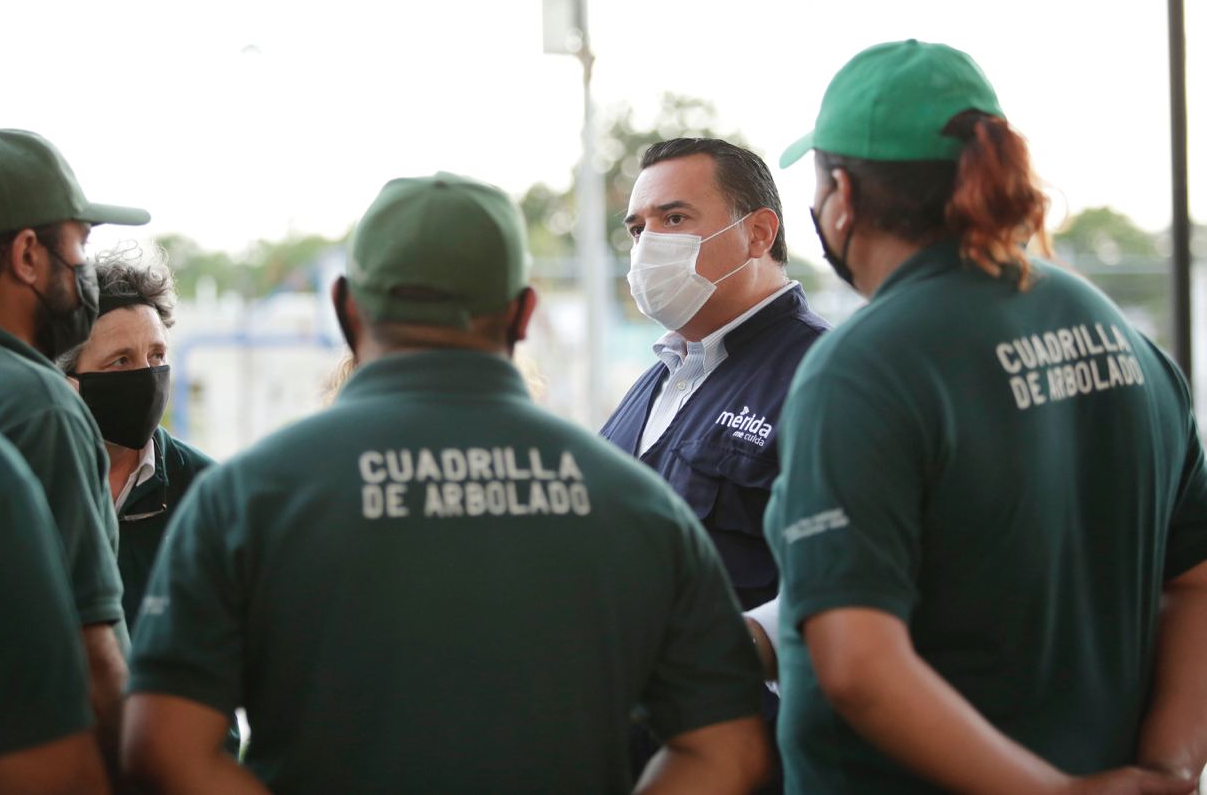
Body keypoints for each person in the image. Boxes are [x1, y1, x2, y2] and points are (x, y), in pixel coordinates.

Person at [122, 172, 770, 793]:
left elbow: (162, 743)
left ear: (349, 309)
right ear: (522, 316)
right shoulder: (634, 504)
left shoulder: (246, 498)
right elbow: (726, 747)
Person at [767, 38, 1207, 793]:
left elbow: (859, 664)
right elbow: (1196, 582)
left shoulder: (862, 368)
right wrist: (1168, 768)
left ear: (842, 193)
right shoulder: (1120, 334)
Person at [601, 137, 829, 786]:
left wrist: (719, 651)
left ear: (758, 233)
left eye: (675, 219)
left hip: (752, 759)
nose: (648, 246)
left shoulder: (822, 375)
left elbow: (848, 585)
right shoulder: (655, 380)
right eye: (638, 227)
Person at [0, 126, 150, 779]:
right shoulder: (40, 405)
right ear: (27, 255)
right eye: (80, 242)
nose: (86, 270)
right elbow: (93, 660)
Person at [57, 246, 215, 634]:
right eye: (122, 361)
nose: (147, 376)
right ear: (66, 379)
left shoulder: (205, 489)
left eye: (157, 355)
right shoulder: (33, 480)